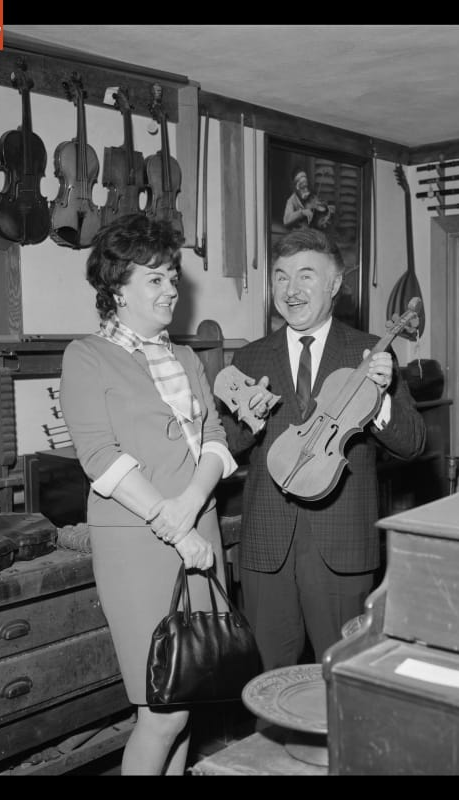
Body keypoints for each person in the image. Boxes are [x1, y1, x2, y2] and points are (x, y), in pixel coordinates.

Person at [60, 213, 238, 775]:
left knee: (191, 696)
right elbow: (100, 457)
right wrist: (176, 526)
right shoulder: (86, 356)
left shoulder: (185, 357)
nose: (170, 290)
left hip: (199, 530)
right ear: (117, 287)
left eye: (172, 278)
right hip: (140, 542)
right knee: (163, 710)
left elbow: (214, 437)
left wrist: (191, 507)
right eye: (154, 278)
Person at [219, 228, 426, 671]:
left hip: (342, 547)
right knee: (268, 682)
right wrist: (249, 419)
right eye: (281, 277)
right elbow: (228, 445)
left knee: (343, 678)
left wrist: (380, 399)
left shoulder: (371, 352)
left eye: (306, 276)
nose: (291, 290)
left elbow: (412, 443)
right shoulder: (249, 358)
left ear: (334, 285)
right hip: (266, 548)